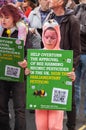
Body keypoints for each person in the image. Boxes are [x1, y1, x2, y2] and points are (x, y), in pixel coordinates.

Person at [19, 19, 76, 130]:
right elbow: (29, 74)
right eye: (46, 37)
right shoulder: (37, 56)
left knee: (54, 126)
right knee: (41, 126)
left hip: (56, 100)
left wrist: (72, 76)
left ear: (58, 36)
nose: (49, 40)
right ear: (43, 37)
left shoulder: (63, 56)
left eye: (53, 37)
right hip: (40, 99)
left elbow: (68, 78)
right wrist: (28, 72)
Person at [47, 0, 81, 130]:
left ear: (60, 1)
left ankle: (71, 127)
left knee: (69, 101)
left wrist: (71, 67)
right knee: (52, 97)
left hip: (65, 66)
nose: (49, 0)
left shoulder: (73, 20)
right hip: (51, 65)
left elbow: (76, 49)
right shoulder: (50, 17)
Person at [0, 4, 26, 130]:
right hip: (2, 76)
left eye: (6, 17)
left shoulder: (23, 31)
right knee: (2, 108)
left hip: (18, 76)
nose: (3, 20)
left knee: (19, 110)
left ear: (14, 18)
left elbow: (32, 51)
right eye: (1, 17)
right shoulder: (1, 31)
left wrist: (26, 61)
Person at [74, 0, 86, 116]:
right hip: (77, 52)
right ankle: (75, 112)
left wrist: (77, 26)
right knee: (75, 84)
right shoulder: (77, 8)